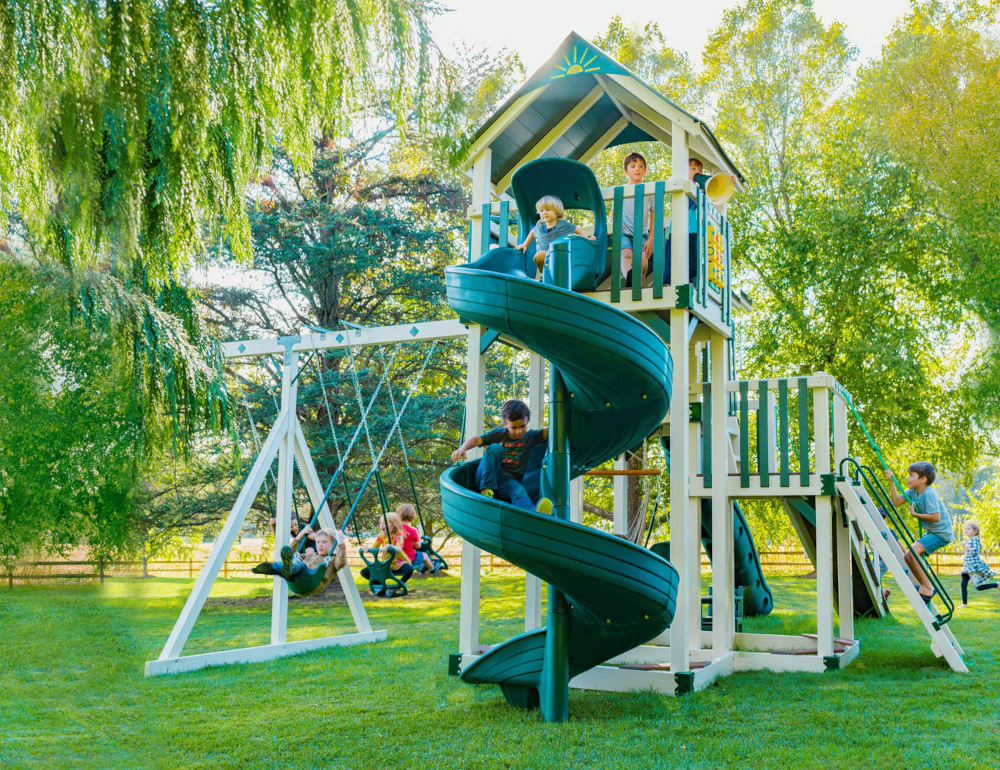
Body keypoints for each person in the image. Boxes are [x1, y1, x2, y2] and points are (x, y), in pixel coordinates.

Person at [451, 399, 552, 513]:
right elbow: (477, 440)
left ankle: (535, 514)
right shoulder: (499, 434)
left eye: (523, 426)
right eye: (514, 427)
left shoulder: (531, 437)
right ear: (505, 424)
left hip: (507, 482)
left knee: (519, 491)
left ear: (527, 420)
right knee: (495, 448)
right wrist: (462, 448)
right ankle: (487, 491)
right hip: (487, 476)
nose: (519, 431)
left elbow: (551, 431)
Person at [884, 462, 954, 602]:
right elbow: (896, 502)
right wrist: (892, 482)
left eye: (911, 475)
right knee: (908, 556)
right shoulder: (913, 492)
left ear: (923, 479)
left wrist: (915, 515)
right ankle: (925, 586)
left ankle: (927, 587)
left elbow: (936, 516)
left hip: (941, 533)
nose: (908, 478)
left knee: (911, 554)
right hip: (932, 532)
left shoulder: (929, 494)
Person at [515, 195, 596, 279]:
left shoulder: (563, 225)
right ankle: (546, 275)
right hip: (545, 257)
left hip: (559, 255)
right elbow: (532, 232)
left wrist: (587, 239)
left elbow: (577, 229)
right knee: (540, 255)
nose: (544, 213)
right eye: (542, 211)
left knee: (543, 256)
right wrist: (525, 245)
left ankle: (555, 275)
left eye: (548, 210)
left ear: (557, 212)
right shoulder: (540, 226)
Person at [251, 524, 346, 582]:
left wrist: (341, 543)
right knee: (293, 559)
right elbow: (291, 553)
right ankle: (271, 568)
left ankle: (288, 569)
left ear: (334, 544)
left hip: (311, 579)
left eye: (324, 542)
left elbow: (341, 563)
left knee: (299, 561)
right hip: (295, 578)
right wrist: (300, 534)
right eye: (318, 542)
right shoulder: (311, 556)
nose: (320, 545)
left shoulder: (333, 559)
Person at [617, 152, 654, 288]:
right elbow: (614, 213)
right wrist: (616, 224)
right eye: (633, 166)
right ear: (626, 172)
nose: (637, 169)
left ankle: (636, 287)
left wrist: (651, 239)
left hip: (642, 234)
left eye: (640, 166)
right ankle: (630, 280)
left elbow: (654, 217)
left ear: (645, 171)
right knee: (626, 255)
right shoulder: (622, 191)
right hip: (624, 232)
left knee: (643, 262)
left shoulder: (650, 192)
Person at [360, 511, 413, 597]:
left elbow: (399, 548)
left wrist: (389, 545)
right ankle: (380, 587)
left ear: (393, 526)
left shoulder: (398, 534)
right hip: (386, 563)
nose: (382, 525)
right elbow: (375, 547)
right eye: (380, 523)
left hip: (397, 563)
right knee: (364, 572)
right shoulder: (381, 535)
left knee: (409, 569)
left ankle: (397, 587)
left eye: (385, 523)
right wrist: (368, 549)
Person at [959, 521, 997, 608]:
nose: (966, 530)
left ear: (975, 531)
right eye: (965, 529)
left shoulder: (974, 539)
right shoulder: (969, 540)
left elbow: (975, 551)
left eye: (968, 529)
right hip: (967, 567)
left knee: (979, 587)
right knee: (963, 584)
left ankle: (996, 584)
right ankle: (964, 604)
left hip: (974, 567)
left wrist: (965, 546)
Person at [397, 503, 436, 575]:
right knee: (424, 555)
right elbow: (418, 546)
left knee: (417, 554)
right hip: (408, 559)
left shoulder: (395, 529)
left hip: (396, 559)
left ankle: (421, 567)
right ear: (412, 516)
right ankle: (432, 569)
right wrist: (418, 536)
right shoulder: (412, 530)